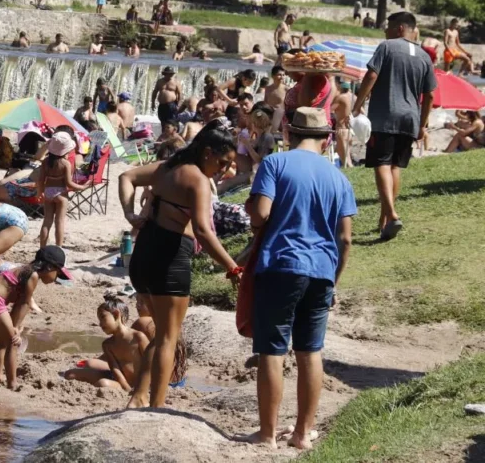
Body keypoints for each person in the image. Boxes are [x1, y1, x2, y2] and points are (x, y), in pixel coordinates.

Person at [242, 107, 356, 450]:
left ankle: (266, 435)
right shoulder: (340, 179)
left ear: (288, 134)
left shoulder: (276, 164)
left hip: (281, 264)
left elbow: (261, 214)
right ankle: (303, 434)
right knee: (310, 351)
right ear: (328, 138)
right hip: (322, 271)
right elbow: (346, 239)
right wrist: (334, 280)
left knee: (272, 351)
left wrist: (253, 213)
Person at [118, 121, 243, 408]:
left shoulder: (166, 168)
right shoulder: (197, 179)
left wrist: (129, 213)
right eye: (223, 162)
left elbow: (126, 177)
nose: (224, 170)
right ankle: (157, 407)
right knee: (168, 339)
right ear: (208, 152)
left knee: (162, 334)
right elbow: (202, 230)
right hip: (170, 259)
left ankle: (138, 396)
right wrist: (232, 267)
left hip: (144, 255)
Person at [353, 12, 436, 241]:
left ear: (400, 28)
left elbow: (371, 75)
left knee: (381, 162)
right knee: (395, 167)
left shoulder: (387, 47)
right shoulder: (424, 56)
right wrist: (422, 123)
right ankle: (384, 220)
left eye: (388, 27)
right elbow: (429, 95)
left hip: (385, 115)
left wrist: (357, 104)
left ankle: (392, 213)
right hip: (410, 118)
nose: (385, 31)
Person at [0, 246, 69, 389]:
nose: (56, 278)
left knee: (4, 341)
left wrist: (15, 325)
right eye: (57, 274)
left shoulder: (25, 271)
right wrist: (16, 329)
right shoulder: (33, 276)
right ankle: (12, 384)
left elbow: (20, 303)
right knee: (14, 342)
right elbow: (25, 303)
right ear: (50, 267)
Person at [63, 294, 149, 392]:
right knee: (70, 374)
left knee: (102, 383)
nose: (100, 324)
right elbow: (115, 370)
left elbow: (151, 363)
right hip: (120, 381)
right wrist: (127, 388)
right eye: (99, 320)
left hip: (140, 383)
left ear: (116, 315)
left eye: (103, 318)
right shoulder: (107, 345)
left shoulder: (138, 337)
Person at [37, 132, 88, 248]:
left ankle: (42, 248)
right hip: (61, 194)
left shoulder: (45, 162)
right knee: (59, 223)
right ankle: (58, 248)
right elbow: (69, 183)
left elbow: (40, 180)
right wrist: (82, 187)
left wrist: (39, 193)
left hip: (48, 193)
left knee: (46, 222)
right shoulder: (65, 164)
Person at [332, 81, 354, 168]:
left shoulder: (340, 98)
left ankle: (350, 174)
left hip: (341, 129)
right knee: (346, 156)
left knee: (346, 160)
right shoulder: (349, 97)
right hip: (347, 129)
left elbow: (329, 109)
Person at [263, 66, 288, 132]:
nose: (282, 77)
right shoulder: (268, 88)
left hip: (281, 115)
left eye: (283, 75)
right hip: (270, 115)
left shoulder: (286, 89)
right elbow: (265, 102)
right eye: (279, 75)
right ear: (273, 76)